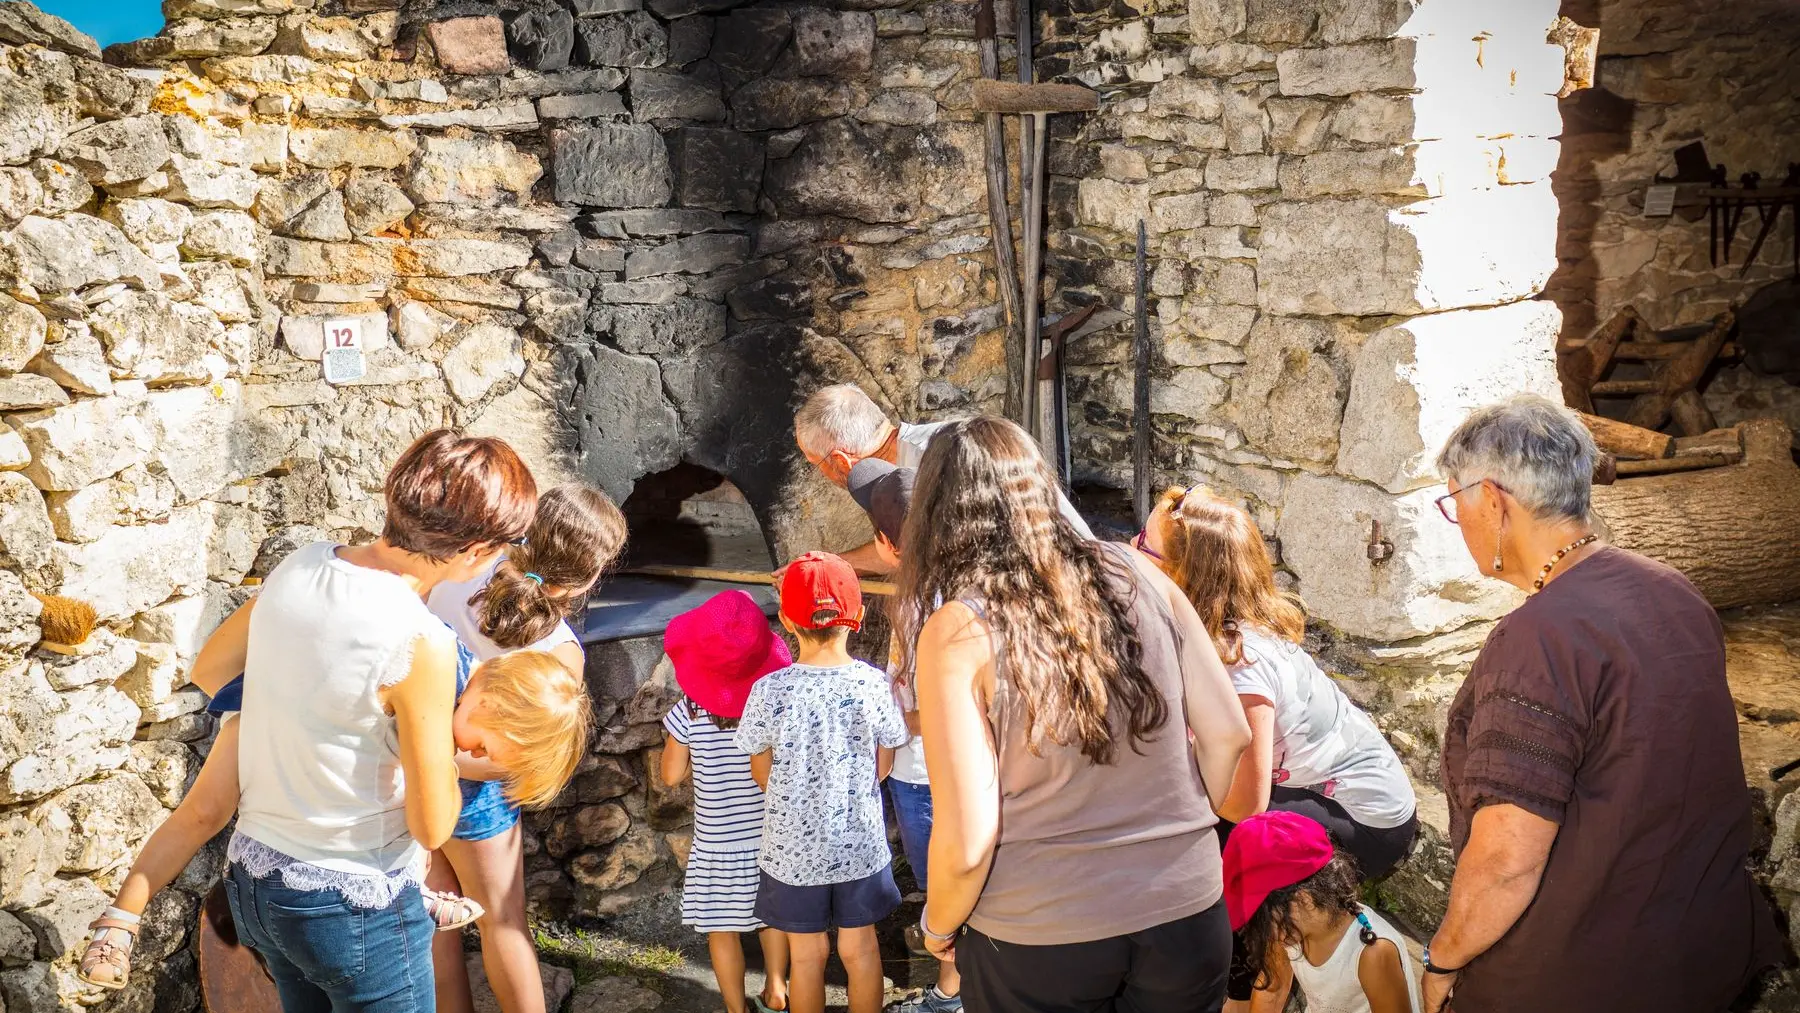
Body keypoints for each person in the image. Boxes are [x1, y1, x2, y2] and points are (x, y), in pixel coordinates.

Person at [1423, 395, 1782, 1013]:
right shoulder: (1672, 590)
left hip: (1587, 975)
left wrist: (1443, 959)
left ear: (1493, 500)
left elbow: (1507, 860)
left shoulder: (1539, 639)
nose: (1460, 522)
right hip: (1699, 948)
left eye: (1454, 502)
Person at [895, 417, 1251, 1013]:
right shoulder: (1142, 573)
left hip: (1041, 931)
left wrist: (938, 925)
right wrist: (1179, 826)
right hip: (1186, 911)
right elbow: (1229, 732)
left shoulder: (958, 629)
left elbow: (969, 837)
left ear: (936, 513)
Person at [178, 430, 536, 1013]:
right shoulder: (423, 640)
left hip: (257, 879)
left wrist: (317, 717)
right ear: (475, 550)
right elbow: (432, 827)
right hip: (354, 901)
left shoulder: (300, 565)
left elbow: (211, 668)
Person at [74, 645, 586, 992]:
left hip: (314, 756)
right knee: (202, 813)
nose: (468, 752)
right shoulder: (434, 665)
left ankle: (412, 892)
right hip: (278, 714)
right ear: (490, 700)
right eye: (482, 744)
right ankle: (121, 918)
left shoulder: (458, 695)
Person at [1136, 485, 1417, 871]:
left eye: (1144, 545)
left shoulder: (1238, 665)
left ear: (1182, 574)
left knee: (1193, 825)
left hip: (1366, 823)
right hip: (1317, 787)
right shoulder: (1227, 623)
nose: (1132, 548)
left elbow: (1244, 805)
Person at [423, 484, 626, 1013]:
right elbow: (520, 758)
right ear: (587, 579)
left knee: (435, 918)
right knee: (501, 922)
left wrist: (419, 758)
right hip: (472, 791)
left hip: (406, 767)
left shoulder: (457, 569)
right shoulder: (558, 655)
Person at [735, 552, 911, 1013]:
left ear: (786, 621)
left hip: (792, 852)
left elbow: (761, 771)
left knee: (807, 957)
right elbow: (885, 763)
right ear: (859, 617)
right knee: (861, 951)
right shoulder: (872, 685)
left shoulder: (769, 690)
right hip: (859, 845)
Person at [846, 459, 960, 1013]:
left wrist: (888, 734)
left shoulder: (921, 605)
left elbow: (935, 705)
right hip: (955, 767)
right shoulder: (958, 578)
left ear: (889, 543)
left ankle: (952, 993)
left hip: (924, 772)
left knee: (942, 880)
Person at [791, 383, 1094, 575]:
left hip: (1059, 581)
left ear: (840, 461)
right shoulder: (917, 456)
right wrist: (828, 565)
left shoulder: (941, 458)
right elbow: (904, 549)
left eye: (815, 464)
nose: (821, 474)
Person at [661, 590, 796, 1013]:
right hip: (768, 835)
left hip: (717, 842)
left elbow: (669, 775)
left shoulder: (690, 711)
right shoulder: (772, 704)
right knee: (771, 918)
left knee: (721, 931)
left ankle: (737, 1009)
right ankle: (776, 988)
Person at [1221, 811, 1418, 1013]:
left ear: (1302, 900)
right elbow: (1273, 990)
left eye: (1261, 920)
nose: (1265, 934)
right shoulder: (1288, 931)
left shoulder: (1372, 952)